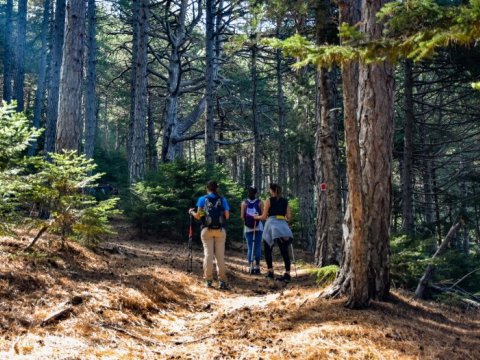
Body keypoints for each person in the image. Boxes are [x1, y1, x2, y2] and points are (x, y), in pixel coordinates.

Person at [189, 181, 230, 289]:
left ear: (207, 188)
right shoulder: (222, 199)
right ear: (217, 188)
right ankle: (222, 281)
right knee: (220, 256)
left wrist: (191, 212)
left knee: (208, 255)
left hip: (206, 230)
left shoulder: (202, 199)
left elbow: (198, 216)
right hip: (220, 231)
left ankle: (208, 280)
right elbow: (227, 215)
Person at [254, 183, 293, 282]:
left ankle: (270, 272)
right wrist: (282, 218)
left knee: (267, 248)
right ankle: (287, 273)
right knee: (284, 249)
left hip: (271, 225)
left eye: (269, 190)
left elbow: (263, 216)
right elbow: (289, 217)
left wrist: (256, 217)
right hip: (282, 225)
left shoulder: (268, 200)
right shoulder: (285, 201)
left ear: (272, 191)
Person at [240, 186, 263, 274]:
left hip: (248, 228)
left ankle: (251, 267)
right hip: (258, 227)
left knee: (250, 247)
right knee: (257, 247)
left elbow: (242, 216)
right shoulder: (260, 202)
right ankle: (257, 267)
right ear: (256, 193)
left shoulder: (244, 203)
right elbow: (262, 216)